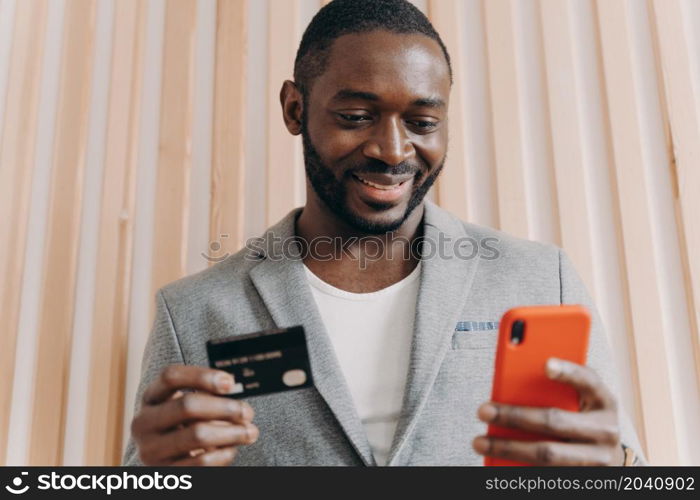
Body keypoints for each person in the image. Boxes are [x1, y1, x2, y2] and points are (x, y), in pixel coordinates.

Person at [122, 0, 644, 466]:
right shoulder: (191, 312)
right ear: (295, 109)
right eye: (355, 116)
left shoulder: (540, 279)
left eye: (421, 122)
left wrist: (616, 470)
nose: (393, 150)